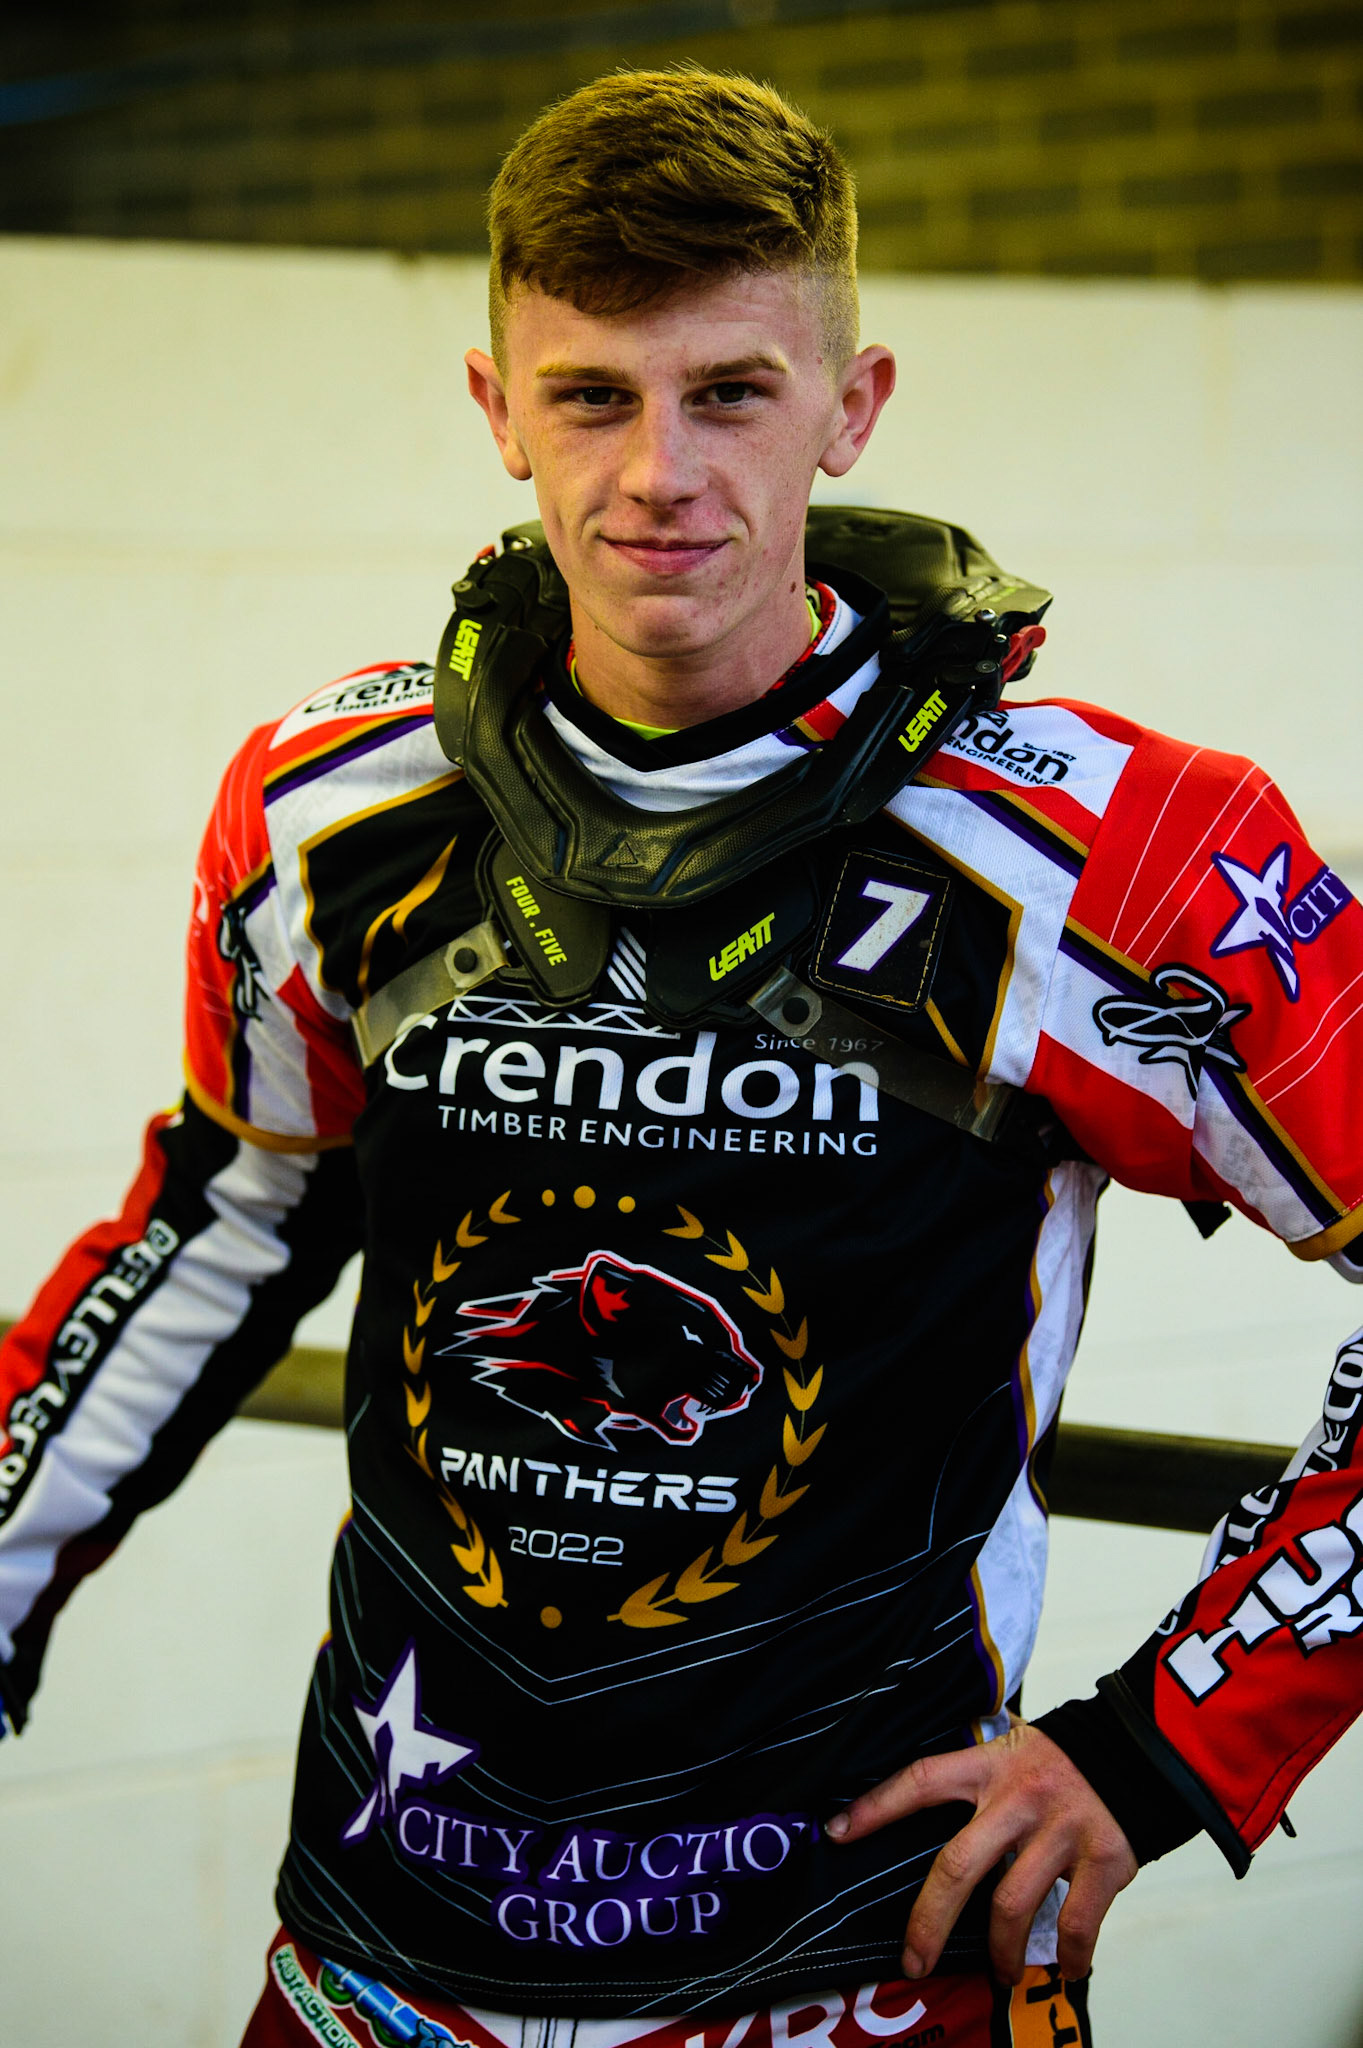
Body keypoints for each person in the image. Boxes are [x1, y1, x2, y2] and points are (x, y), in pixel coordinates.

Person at [2, 65, 1361, 2048]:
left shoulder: (1126, 855)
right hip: (382, 1960)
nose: (661, 471)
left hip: (850, 1977)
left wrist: (1163, 1751)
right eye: (590, 394)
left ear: (852, 403)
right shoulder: (329, 805)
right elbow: (230, 1211)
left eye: (729, 389)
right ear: (494, 412)